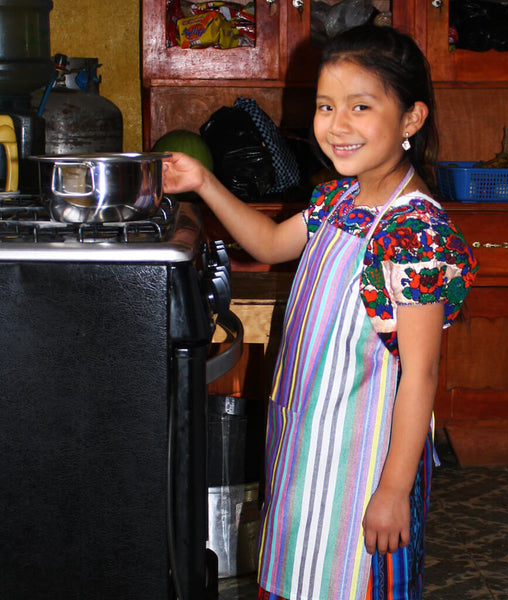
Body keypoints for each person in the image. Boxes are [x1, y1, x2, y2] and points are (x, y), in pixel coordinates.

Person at [162, 24, 478, 600]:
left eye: (361, 106)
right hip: (305, 450)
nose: (337, 124)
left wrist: (393, 490)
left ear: (411, 119)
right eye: (326, 106)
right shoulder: (337, 199)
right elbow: (267, 243)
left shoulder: (416, 232)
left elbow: (420, 375)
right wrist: (202, 182)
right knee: (295, 579)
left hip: (367, 468)